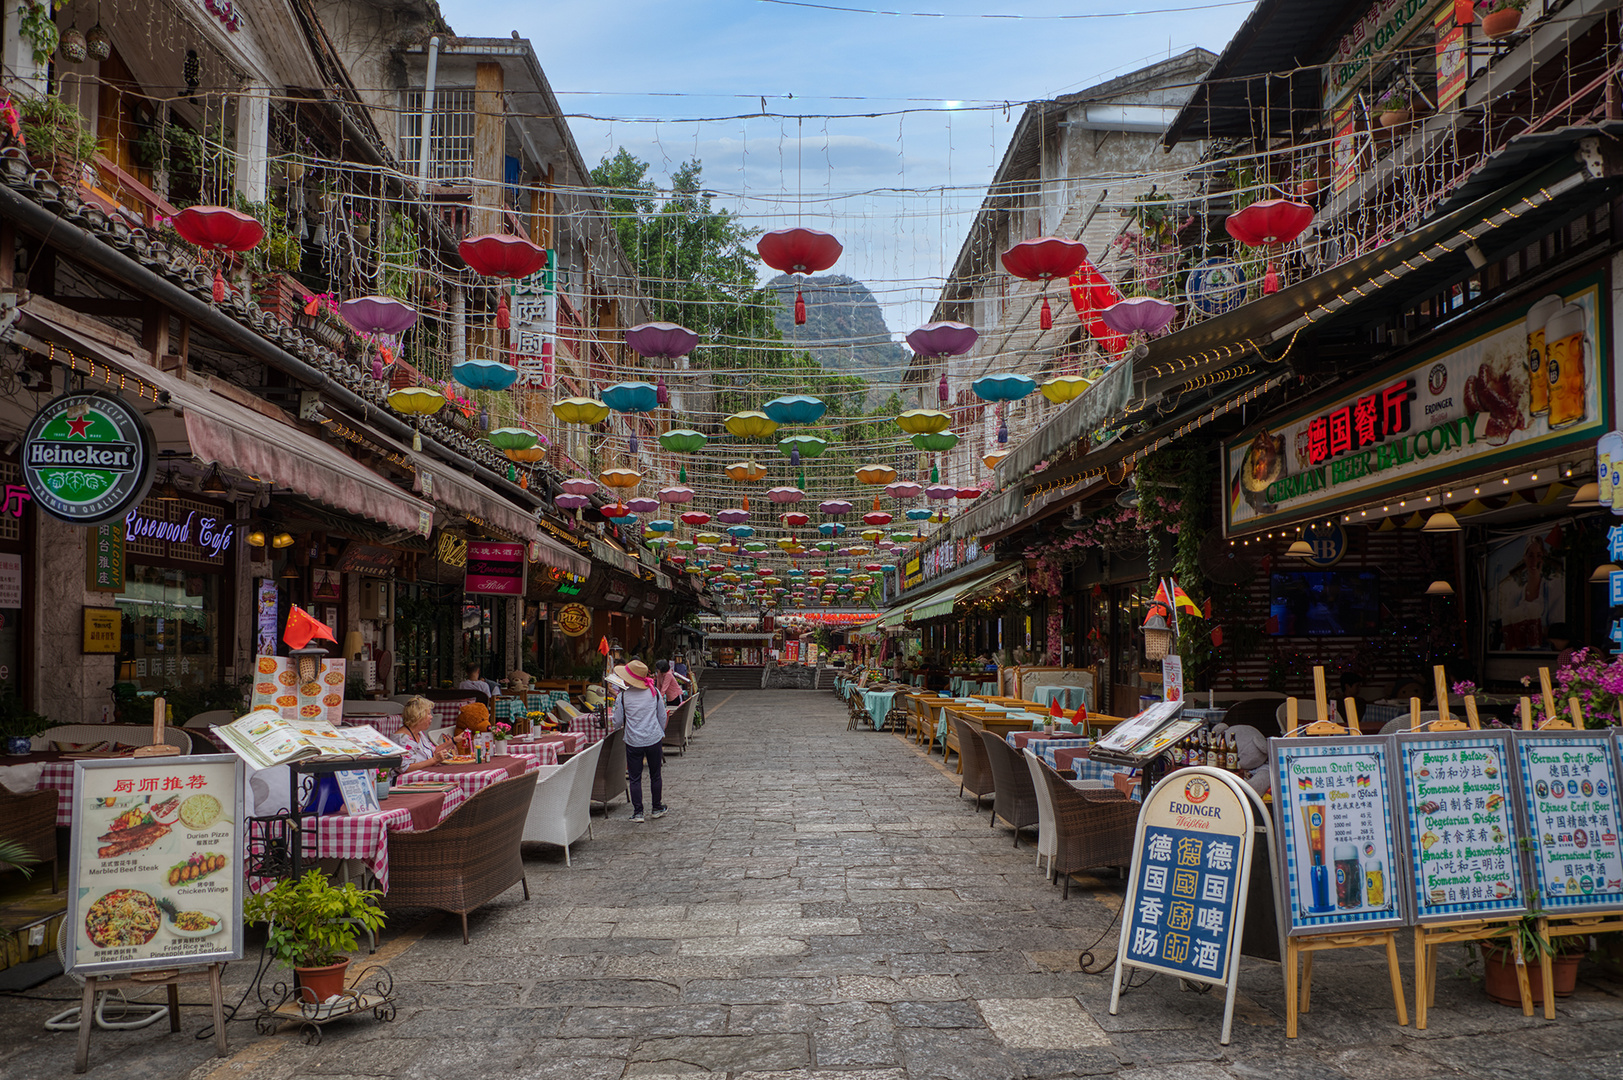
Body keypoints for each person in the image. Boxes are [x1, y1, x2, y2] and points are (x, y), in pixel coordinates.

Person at [612, 659, 668, 823]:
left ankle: (638, 812)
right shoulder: (654, 692)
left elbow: (617, 721)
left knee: (635, 777)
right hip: (653, 738)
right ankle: (656, 807)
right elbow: (662, 715)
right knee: (655, 775)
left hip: (633, 741)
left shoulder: (622, 697)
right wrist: (659, 732)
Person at [392, 697, 453, 773]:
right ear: (418, 715)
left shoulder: (418, 733)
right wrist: (434, 760)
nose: (431, 717)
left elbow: (433, 750)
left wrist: (455, 740)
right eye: (428, 714)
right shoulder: (401, 739)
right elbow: (406, 769)